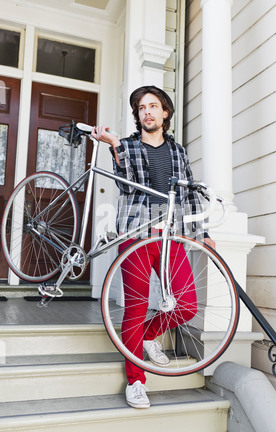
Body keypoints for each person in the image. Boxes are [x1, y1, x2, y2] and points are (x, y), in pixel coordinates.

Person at [92, 85, 215, 409]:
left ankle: (148, 336)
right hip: (135, 235)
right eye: (141, 107)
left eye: (153, 106)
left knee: (186, 304)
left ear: (165, 113)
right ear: (139, 115)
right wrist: (116, 144)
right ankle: (136, 381)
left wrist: (201, 233)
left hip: (170, 235)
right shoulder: (128, 146)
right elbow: (124, 180)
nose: (146, 111)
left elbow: (189, 196)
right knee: (135, 308)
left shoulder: (178, 152)